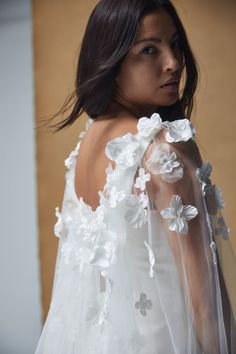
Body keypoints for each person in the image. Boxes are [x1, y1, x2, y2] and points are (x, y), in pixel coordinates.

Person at [35, 0, 236, 353]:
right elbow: (208, 309)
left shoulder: (88, 142)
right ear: (111, 61)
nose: (173, 63)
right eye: (148, 50)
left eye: (174, 44)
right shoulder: (162, 151)